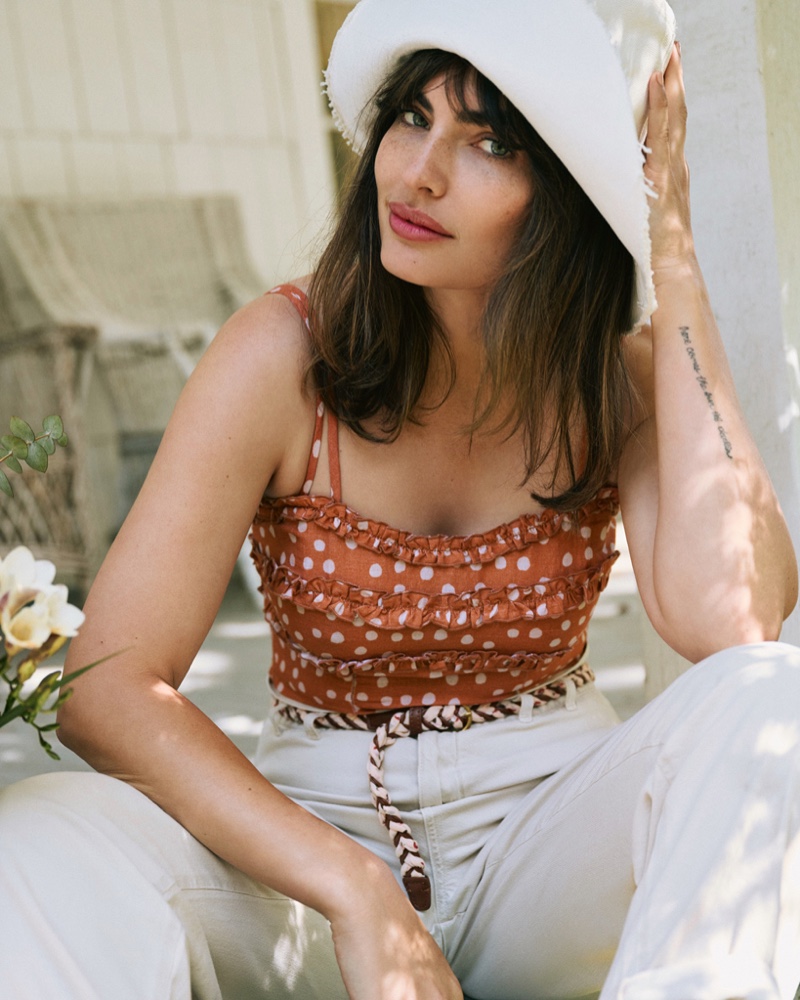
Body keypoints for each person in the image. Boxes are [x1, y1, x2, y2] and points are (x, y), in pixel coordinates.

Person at [1, 0, 799, 997]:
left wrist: (668, 249)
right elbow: (107, 687)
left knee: (770, 699)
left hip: (545, 839)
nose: (416, 170)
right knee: (35, 841)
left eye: (487, 142)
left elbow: (735, 619)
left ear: (562, 194)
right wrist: (355, 889)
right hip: (305, 851)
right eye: (411, 118)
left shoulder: (615, 379)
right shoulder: (283, 353)